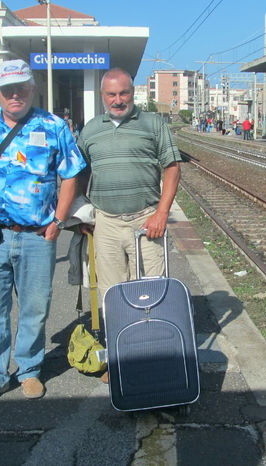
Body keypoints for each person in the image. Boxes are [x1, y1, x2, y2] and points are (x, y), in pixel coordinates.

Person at [0, 59, 86, 407]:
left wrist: (58, 219)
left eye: (22, 87)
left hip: (39, 236)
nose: (15, 94)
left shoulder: (53, 126)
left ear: (32, 87)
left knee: (35, 308)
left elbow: (71, 174)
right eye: (8, 89)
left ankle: (29, 370)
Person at [76, 68, 183, 385]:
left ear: (133, 92)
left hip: (145, 220)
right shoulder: (91, 129)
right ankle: (120, 357)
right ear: (102, 96)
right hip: (106, 222)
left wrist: (162, 212)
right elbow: (79, 170)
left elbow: (172, 168)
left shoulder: (153, 124)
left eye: (123, 93)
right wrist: (84, 211)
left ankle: (153, 355)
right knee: (112, 295)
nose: (118, 100)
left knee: (151, 291)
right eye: (111, 94)